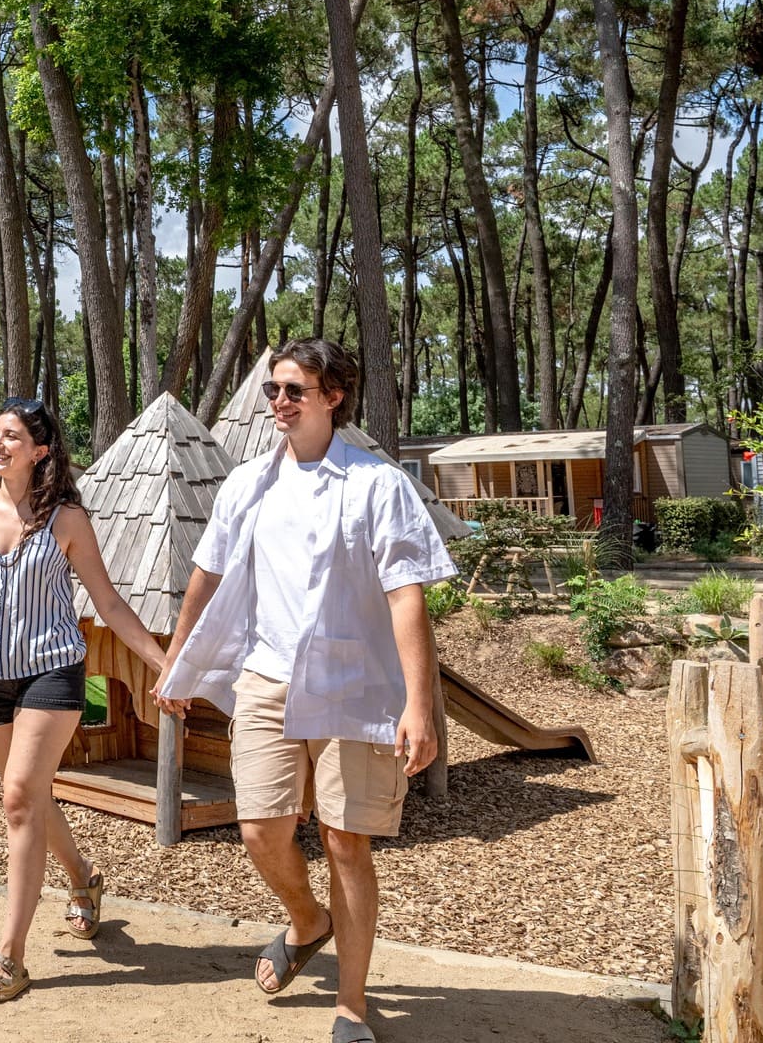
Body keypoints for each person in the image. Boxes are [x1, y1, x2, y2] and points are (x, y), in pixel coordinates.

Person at [157, 340, 457, 1043]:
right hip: (266, 678)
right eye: (273, 390)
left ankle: (351, 1005)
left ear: (333, 396)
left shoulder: (377, 484)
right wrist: (178, 660)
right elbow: (207, 573)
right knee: (261, 829)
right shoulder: (247, 485)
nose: (279, 403)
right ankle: (307, 921)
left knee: (346, 842)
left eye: (294, 390)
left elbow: (406, 594)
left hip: (355, 682)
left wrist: (420, 704)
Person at [0, 396, 169, 1003]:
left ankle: (10, 955)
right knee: (28, 799)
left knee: (17, 798)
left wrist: (165, 665)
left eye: (12, 437)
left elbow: (107, 604)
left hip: (52, 673)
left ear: (40, 452)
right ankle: (83, 879)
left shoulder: (65, 521)